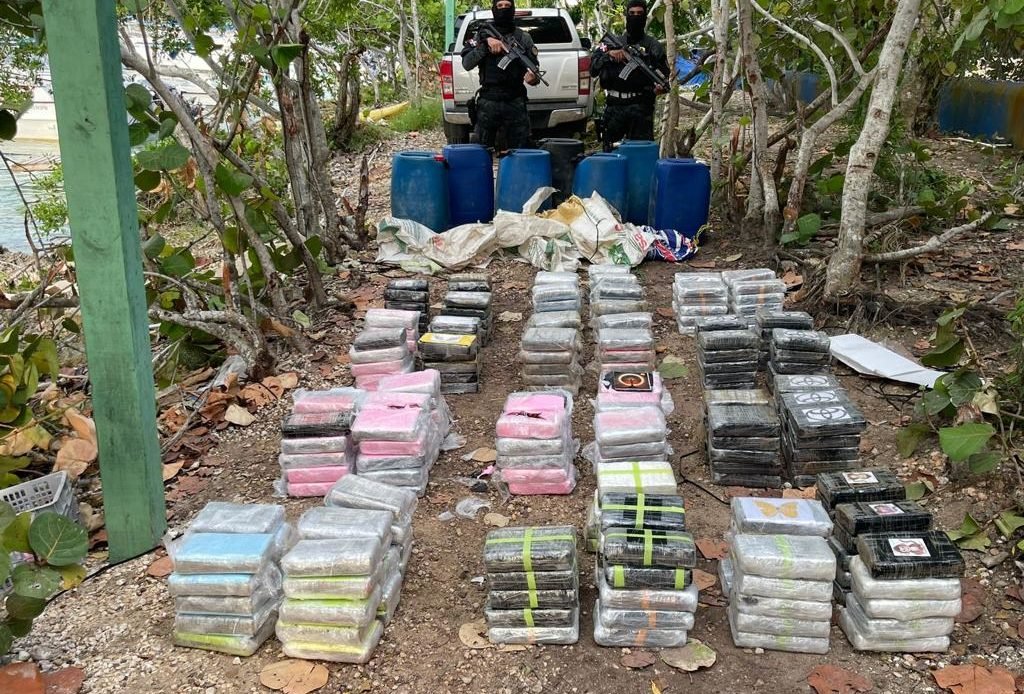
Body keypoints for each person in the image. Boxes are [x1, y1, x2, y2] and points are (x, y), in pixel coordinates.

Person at [590, 0, 669, 152]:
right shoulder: (612, 43)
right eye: (632, 13)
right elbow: (593, 69)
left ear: (645, 16)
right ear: (626, 15)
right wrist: (609, 55)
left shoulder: (653, 46)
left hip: (641, 109)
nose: (635, 17)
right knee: (611, 155)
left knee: (640, 154)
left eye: (639, 14)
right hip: (614, 108)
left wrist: (660, 89)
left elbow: (665, 77)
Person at [461, 0, 540, 151]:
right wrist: (486, 44)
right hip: (488, 101)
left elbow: (534, 72)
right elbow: (467, 63)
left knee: (521, 151)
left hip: (515, 101)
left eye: (507, 6)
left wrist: (533, 79)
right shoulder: (482, 36)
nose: (503, 9)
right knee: (480, 151)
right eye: (500, 6)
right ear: (494, 9)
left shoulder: (523, 38)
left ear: (513, 9)